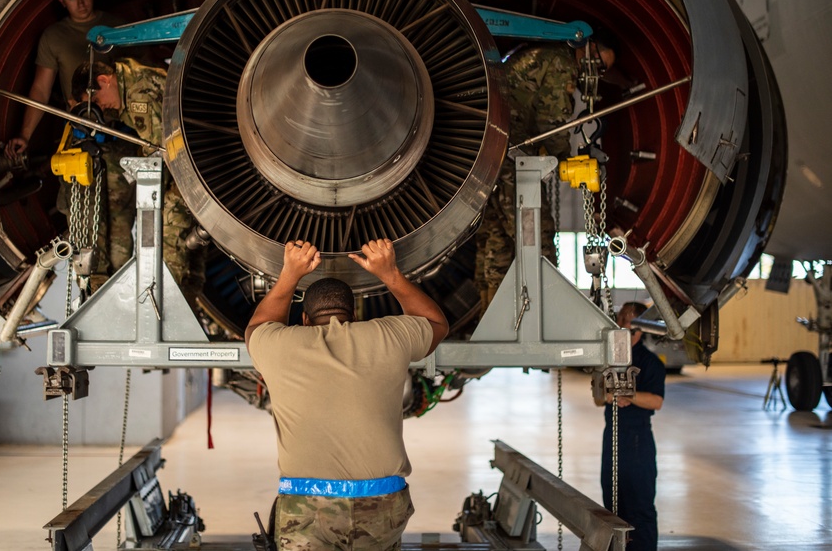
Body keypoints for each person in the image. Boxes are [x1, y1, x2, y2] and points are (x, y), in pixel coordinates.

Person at [245, 238, 450, 550]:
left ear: (304, 320)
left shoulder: (278, 346)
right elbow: (436, 323)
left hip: (307, 504)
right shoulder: (388, 337)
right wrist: (389, 273)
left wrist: (290, 274)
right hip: (382, 502)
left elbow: (257, 327)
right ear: (354, 316)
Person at [476, 35, 618, 312]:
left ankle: (489, 313)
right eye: (599, 63)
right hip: (510, 150)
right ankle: (543, 313)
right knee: (536, 232)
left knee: (496, 236)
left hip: (489, 151)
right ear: (587, 49)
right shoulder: (561, 64)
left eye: (602, 70)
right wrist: (564, 160)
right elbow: (550, 121)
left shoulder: (543, 54)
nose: (596, 72)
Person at [70, 59, 204, 301]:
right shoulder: (132, 82)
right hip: (195, 167)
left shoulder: (136, 93)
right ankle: (185, 300)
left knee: (170, 224)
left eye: (98, 101)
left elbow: (161, 156)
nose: (103, 108)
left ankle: (165, 306)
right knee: (190, 239)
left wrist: (148, 190)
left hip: (192, 170)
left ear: (103, 80)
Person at [5, 0, 125, 158]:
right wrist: (25, 135)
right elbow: (41, 90)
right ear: (62, 1)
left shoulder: (118, 28)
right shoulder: (53, 37)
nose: (81, 4)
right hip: (79, 130)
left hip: (122, 129)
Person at [599, 301, 665, 551]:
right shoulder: (611, 361)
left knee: (640, 506)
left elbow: (656, 401)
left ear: (640, 331)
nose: (625, 337)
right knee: (612, 505)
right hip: (612, 438)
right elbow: (600, 396)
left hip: (638, 442)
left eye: (630, 331)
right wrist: (610, 395)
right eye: (622, 329)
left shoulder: (651, 363)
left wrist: (628, 396)